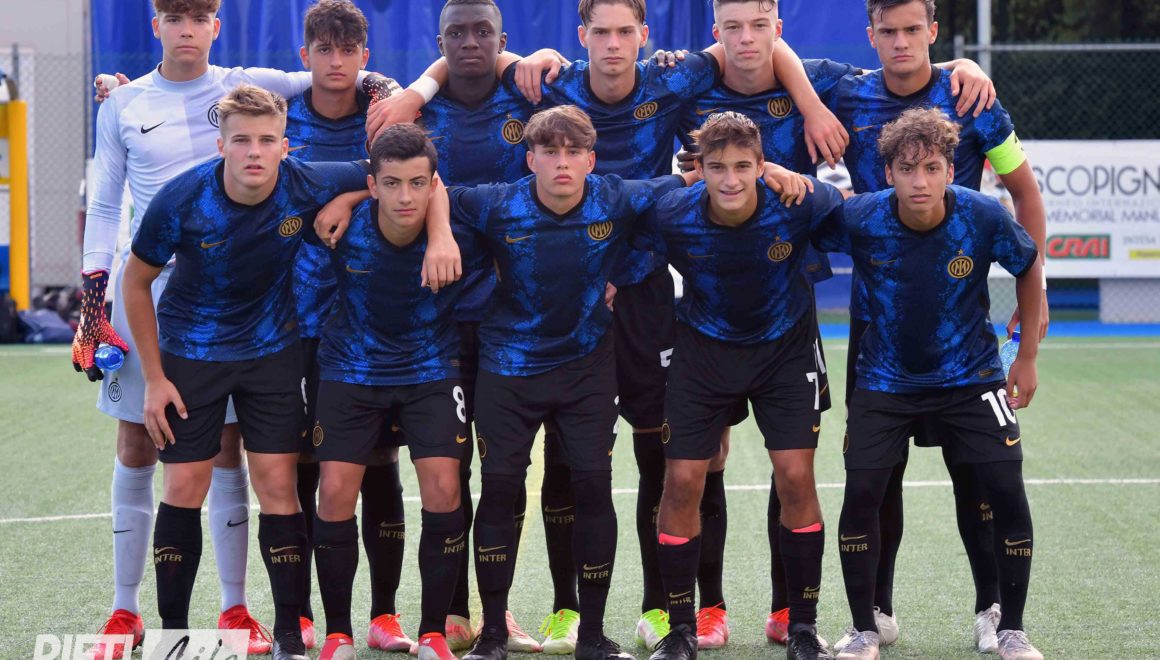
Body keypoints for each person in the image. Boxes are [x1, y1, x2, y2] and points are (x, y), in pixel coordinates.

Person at [675, 0, 997, 645]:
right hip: (708, 311)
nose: (746, 38)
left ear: (778, 29)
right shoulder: (687, 80)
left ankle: (788, 611)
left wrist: (959, 65)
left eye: (759, 25)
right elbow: (610, 76)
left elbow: (900, 73)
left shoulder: (825, 82)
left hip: (789, 305)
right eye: (732, 27)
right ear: (715, 32)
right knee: (699, 462)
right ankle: (705, 610)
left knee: (792, 464)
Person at [74, 1, 344, 655]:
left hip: (247, 305)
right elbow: (105, 202)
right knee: (139, 447)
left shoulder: (245, 85)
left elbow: (334, 75)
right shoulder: (123, 103)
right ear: (157, 25)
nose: (188, 28)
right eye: (175, 16)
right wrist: (92, 304)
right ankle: (125, 610)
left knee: (232, 452)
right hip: (152, 297)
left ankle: (234, 609)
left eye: (200, 17)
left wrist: (397, 90)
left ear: (216, 26)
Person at [826, 0, 1048, 652]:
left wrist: (1029, 321)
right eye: (887, 31)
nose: (901, 42)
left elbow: (1025, 195)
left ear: (932, 31)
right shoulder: (845, 92)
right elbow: (768, 69)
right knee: (875, 477)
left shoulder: (973, 99)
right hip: (876, 328)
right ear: (871, 35)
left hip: (961, 328)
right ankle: (875, 615)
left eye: (912, 30)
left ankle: (994, 611)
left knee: (980, 475)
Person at [450, 105, 698, 660]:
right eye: (550, 152)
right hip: (508, 369)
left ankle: (592, 634)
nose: (562, 163)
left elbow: (688, 179)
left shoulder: (615, 196)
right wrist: (441, 235)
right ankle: (493, 635)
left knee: (593, 488)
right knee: (499, 489)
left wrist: (778, 172)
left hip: (586, 369)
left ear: (590, 160)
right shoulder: (495, 203)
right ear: (530, 159)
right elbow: (434, 196)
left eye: (573, 153)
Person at [639, 111, 840, 660]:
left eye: (743, 167)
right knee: (683, 481)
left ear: (761, 166)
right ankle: (681, 630)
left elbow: (853, 214)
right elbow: (622, 220)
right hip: (703, 353)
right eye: (717, 167)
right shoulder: (673, 211)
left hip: (784, 352)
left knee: (795, 476)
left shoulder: (797, 202)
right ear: (699, 168)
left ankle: (802, 627)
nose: (730, 180)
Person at [310, 123, 479, 660]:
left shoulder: (461, 225)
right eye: (391, 183)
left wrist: (443, 228)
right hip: (351, 369)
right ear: (372, 184)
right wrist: (348, 198)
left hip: (431, 368)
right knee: (335, 493)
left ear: (434, 184)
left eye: (417, 183)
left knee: (445, 488)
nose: (405, 196)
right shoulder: (342, 225)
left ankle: (432, 633)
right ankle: (338, 633)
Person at [282, 1, 412, 652]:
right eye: (323, 50)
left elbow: (412, 178)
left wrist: (352, 194)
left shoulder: (385, 113)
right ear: (304, 55)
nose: (336, 62)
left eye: (347, 50)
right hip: (296, 320)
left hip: (373, 319)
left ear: (366, 56)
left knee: (380, 462)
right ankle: (304, 613)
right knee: (306, 464)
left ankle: (384, 615)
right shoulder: (282, 114)